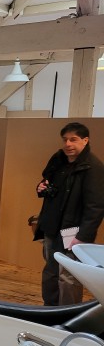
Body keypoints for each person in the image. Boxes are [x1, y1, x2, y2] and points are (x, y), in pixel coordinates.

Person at [34, 122, 104, 306]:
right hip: (51, 225)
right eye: (65, 140)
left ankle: (66, 312)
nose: (68, 144)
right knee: (50, 271)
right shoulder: (58, 161)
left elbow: (96, 207)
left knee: (68, 277)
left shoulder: (93, 168)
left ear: (85, 140)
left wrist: (82, 237)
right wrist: (41, 188)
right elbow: (49, 184)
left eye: (73, 139)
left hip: (72, 230)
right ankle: (49, 310)